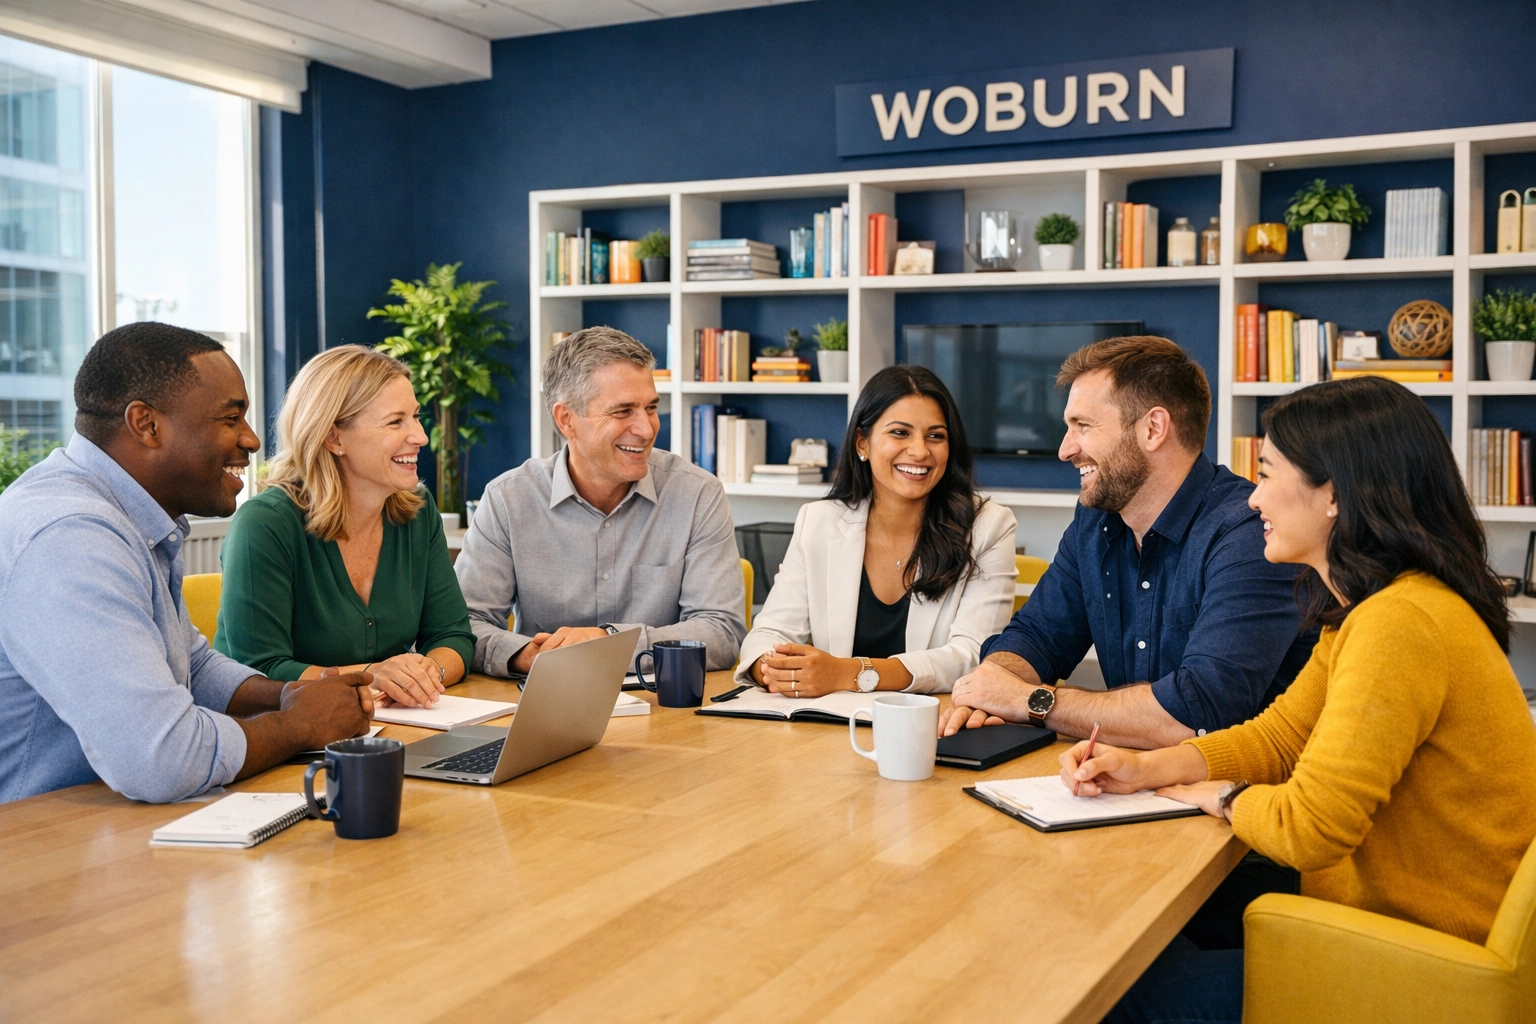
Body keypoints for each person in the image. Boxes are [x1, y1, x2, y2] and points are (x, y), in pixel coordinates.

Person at [1066, 376, 1536, 1024]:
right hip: (1390, 928)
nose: (1253, 496)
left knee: (1108, 985)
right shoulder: (1377, 608)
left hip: (1424, 968)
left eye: (1266, 473)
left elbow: (1310, 828)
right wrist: (1146, 769)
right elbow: (1281, 737)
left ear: (1334, 495)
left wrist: (1219, 796)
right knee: (1139, 933)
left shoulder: (1399, 624)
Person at [0, 323, 373, 805]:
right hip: (41, 834)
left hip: (114, 818)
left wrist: (286, 695)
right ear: (147, 424)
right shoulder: (71, 537)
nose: (252, 440)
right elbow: (161, 760)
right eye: (230, 418)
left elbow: (189, 665)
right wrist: (299, 725)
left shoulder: (132, 518)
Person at [940, 336, 1315, 748]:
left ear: (1153, 428)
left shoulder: (1249, 535)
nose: (1065, 449)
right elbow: (1037, 636)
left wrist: (1029, 701)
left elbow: (1200, 713)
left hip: (1244, 781)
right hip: (1133, 771)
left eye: (1083, 426)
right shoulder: (1095, 520)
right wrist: (990, 689)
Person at [455, 326, 745, 673]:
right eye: (623, 412)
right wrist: (528, 655)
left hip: (659, 701)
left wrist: (609, 643)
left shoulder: (697, 494)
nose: (647, 429)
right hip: (545, 696)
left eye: (651, 408)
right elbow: (463, 626)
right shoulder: (508, 500)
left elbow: (721, 632)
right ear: (566, 420)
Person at [216, 345, 476, 707]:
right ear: (334, 438)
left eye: (415, 417)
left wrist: (424, 675)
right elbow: (260, 671)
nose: (420, 436)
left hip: (384, 723)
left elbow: (453, 637)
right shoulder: (265, 524)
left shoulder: (418, 512)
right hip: (270, 728)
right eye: (395, 422)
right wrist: (372, 675)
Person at [735, 366, 1016, 695]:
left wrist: (849, 673)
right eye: (900, 433)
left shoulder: (988, 526)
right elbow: (768, 634)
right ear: (862, 443)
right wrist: (774, 669)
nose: (920, 451)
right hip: (831, 720)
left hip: (933, 718)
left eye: (935, 436)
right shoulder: (818, 522)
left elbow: (972, 655)